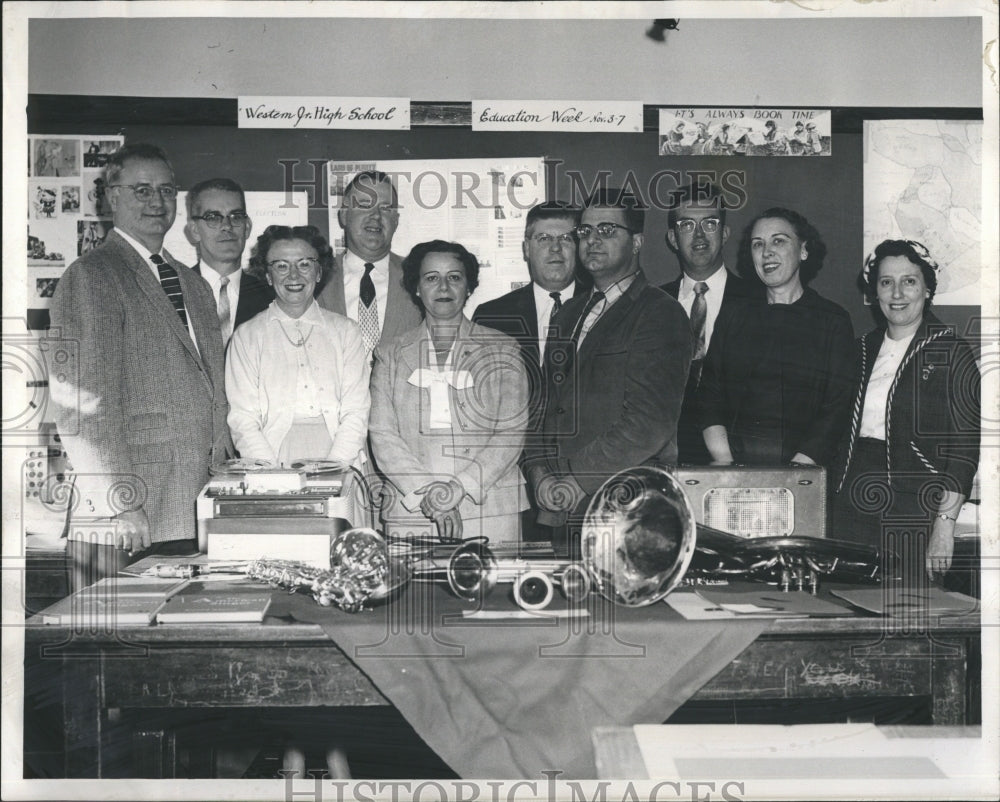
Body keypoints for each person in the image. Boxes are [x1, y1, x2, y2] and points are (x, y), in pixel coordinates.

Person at [47, 143, 232, 591]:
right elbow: (78, 406)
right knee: (112, 652)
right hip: (128, 513)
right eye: (142, 189)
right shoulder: (91, 275)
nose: (157, 201)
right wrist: (119, 500)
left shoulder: (194, 284)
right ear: (111, 196)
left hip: (193, 503)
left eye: (166, 190)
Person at [525, 189, 692, 557]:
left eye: (607, 230)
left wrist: (576, 479)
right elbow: (542, 406)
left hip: (627, 507)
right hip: (560, 508)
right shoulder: (569, 313)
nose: (592, 241)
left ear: (637, 242)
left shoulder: (660, 314)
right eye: (584, 232)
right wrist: (538, 472)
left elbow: (649, 423)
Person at [832, 239, 980, 583]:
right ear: (874, 292)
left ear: (927, 288)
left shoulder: (951, 351)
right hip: (849, 500)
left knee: (908, 610)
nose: (897, 293)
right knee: (847, 602)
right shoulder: (861, 350)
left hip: (914, 505)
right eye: (886, 282)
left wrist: (944, 527)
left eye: (909, 281)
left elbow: (963, 451)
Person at [369, 240, 529, 547]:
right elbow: (382, 434)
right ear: (416, 288)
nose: (443, 286)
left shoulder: (503, 349)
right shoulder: (390, 354)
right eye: (431, 278)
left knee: (490, 594)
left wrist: (459, 488)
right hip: (412, 509)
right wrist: (430, 493)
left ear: (468, 287)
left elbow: (510, 433)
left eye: (454, 277)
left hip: (489, 507)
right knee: (415, 594)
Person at [698, 207, 854, 467]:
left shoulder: (833, 320)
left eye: (778, 241)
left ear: (804, 250)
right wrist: (725, 462)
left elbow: (838, 406)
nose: (766, 251)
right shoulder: (734, 316)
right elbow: (710, 394)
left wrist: (798, 471)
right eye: (757, 244)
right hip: (736, 470)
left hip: (806, 472)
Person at [473, 201, 588, 541]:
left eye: (566, 238)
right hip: (515, 482)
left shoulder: (606, 306)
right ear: (525, 247)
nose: (555, 248)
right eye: (542, 239)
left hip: (588, 478)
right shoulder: (492, 317)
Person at [226, 225, 370, 469]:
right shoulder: (246, 336)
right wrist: (270, 473)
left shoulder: (346, 332)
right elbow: (243, 419)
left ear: (318, 271)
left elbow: (356, 411)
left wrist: (334, 467)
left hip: (342, 454)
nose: (293, 275)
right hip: (272, 456)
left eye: (304, 264)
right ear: (268, 275)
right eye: (281, 266)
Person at [660, 182, 760, 464]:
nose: (700, 235)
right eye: (687, 225)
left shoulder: (758, 302)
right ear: (672, 237)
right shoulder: (652, 303)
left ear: (726, 233)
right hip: (667, 453)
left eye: (710, 223)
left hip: (740, 456)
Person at [317, 170, 422, 354]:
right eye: (365, 205)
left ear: (396, 221)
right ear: (343, 216)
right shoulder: (316, 278)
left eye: (385, 208)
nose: (375, 215)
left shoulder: (420, 277)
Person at [186, 177, 273, 347]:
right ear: (194, 230)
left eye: (236, 216)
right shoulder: (172, 293)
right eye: (213, 217)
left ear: (247, 228)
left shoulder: (271, 297)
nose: (227, 226)